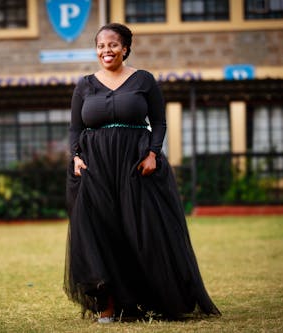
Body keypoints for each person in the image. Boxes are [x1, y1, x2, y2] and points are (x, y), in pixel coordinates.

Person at [64, 23, 221, 323]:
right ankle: (107, 306)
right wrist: (75, 157)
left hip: (136, 167)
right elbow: (75, 128)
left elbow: (159, 122)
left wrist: (152, 153)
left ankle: (154, 299)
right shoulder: (84, 85)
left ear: (125, 48)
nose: (106, 50)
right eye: (100, 45)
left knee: (143, 233)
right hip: (94, 169)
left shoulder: (143, 80)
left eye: (112, 44)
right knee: (97, 232)